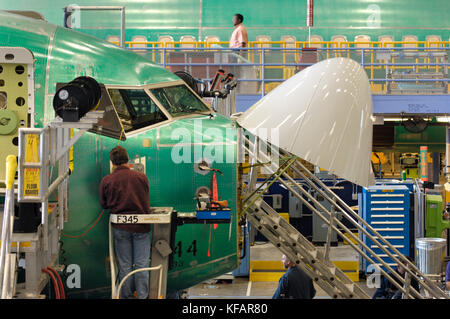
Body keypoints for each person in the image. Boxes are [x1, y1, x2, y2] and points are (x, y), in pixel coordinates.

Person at [99, 146, 151, 299]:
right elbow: (146, 199)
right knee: (142, 265)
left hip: (121, 227)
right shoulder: (141, 177)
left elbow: (104, 204)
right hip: (142, 226)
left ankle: (127, 296)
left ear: (112, 162)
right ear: (128, 160)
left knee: (124, 265)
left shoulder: (107, 180)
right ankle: (143, 296)